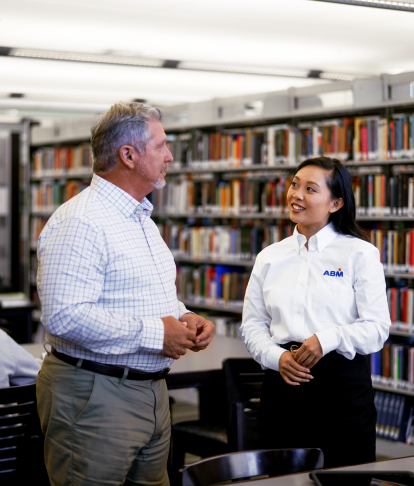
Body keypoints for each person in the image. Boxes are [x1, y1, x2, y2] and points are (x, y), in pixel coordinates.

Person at [36, 102, 214, 486]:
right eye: (161, 146)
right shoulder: (81, 221)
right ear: (128, 155)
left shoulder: (140, 219)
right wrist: (157, 334)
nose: (169, 156)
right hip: (95, 395)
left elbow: (143, 292)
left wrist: (183, 316)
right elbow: (64, 316)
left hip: (150, 392)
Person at [241, 157, 390, 468]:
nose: (296, 194)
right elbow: (253, 324)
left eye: (310, 189)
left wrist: (327, 339)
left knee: (345, 477)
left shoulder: (359, 253)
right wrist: (275, 358)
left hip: (341, 388)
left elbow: (377, 329)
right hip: (283, 383)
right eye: (295, 184)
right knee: (284, 478)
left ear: (335, 203)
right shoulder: (270, 256)